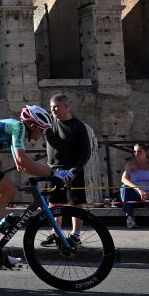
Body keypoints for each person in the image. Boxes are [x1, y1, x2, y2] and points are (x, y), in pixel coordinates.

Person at [0, 105, 74, 253]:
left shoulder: (13, 129)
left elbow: (21, 166)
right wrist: (54, 172)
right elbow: (23, 161)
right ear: (32, 125)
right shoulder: (18, 127)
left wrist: (50, 174)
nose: (43, 134)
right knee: (9, 190)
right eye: (42, 129)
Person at [42, 94, 93, 246]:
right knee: (54, 203)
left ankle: (75, 236)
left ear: (66, 106)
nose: (53, 110)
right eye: (51, 107)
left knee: (75, 204)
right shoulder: (49, 123)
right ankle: (55, 233)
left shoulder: (78, 126)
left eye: (56, 106)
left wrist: (75, 171)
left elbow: (86, 151)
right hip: (54, 170)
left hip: (72, 170)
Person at [120, 144, 149, 228]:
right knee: (124, 187)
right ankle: (129, 217)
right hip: (137, 194)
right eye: (135, 151)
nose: (136, 154)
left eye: (139, 151)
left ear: (146, 152)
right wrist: (138, 189)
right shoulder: (130, 164)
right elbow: (124, 179)